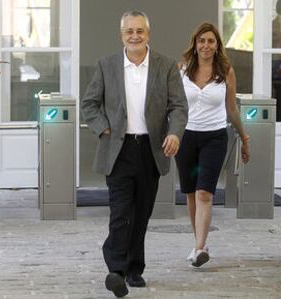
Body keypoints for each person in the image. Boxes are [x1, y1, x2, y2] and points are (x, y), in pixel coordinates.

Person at [81, 11, 188, 297]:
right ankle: (115, 270)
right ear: (122, 35)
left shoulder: (165, 66)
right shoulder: (107, 66)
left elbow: (179, 106)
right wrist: (103, 128)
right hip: (119, 148)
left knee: (141, 213)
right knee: (120, 212)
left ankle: (134, 268)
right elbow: (89, 104)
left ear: (148, 34)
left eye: (140, 31)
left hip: (151, 150)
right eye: (129, 31)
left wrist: (175, 133)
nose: (135, 36)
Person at [175, 22, 250, 268]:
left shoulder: (225, 70)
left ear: (217, 45)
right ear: (195, 44)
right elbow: (174, 106)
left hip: (214, 138)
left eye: (211, 41)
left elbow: (232, 108)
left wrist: (244, 138)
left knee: (204, 192)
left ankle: (199, 249)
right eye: (202, 41)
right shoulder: (182, 69)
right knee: (190, 194)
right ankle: (200, 243)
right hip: (186, 138)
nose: (206, 45)